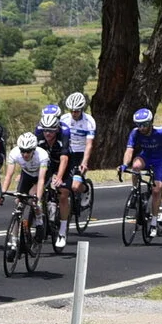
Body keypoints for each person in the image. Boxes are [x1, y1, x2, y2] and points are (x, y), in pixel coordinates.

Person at [51, 91, 97, 249]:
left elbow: (89, 145)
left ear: (82, 109)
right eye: (71, 110)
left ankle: (85, 190)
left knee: (75, 187)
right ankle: (62, 229)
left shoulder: (89, 121)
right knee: (62, 192)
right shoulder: (63, 119)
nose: (74, 113)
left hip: (79, 156)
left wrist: (85, 162)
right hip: (66, 154)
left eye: (76, 110)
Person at [121, 107, 162, 224]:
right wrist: (125, 164)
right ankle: (135, 190)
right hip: (146, 157)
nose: (141, 128)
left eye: (144, 124)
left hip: (160, 160)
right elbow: (129, 150)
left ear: (151, 122)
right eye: (138, 125)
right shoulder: (135, 133)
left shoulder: (161, 131)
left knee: (157, 190)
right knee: (135, 166)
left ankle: (154, 221)